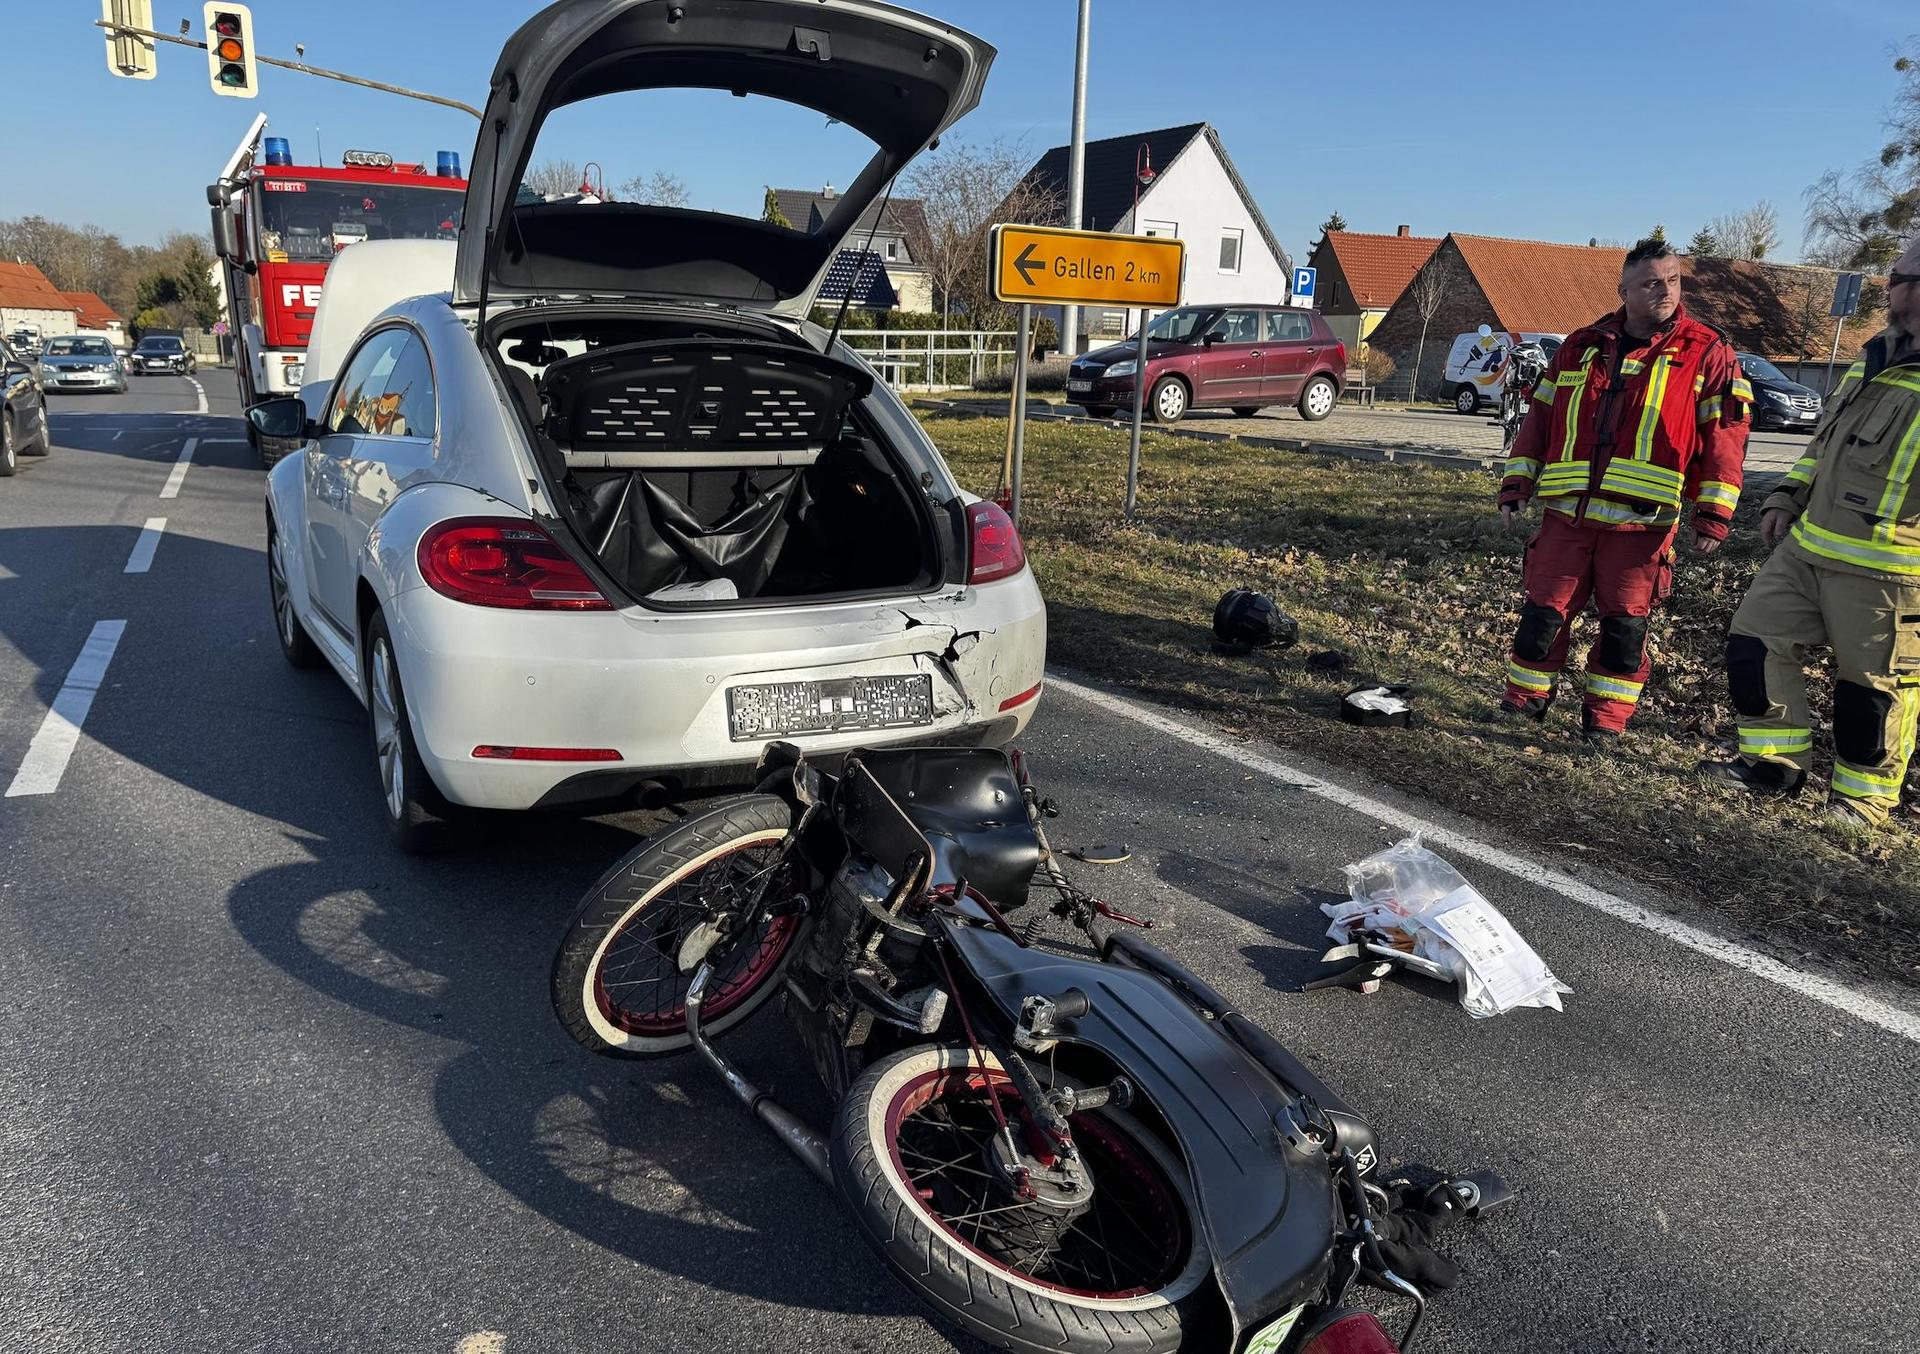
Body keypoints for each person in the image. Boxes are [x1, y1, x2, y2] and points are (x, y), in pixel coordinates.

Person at [1494, 237, 1751, 743]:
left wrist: (1714, 511)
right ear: (1624, 291)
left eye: (1673, 280)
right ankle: (1523, 702)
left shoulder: (1707, 352)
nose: (1666, 291)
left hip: (1642, 525)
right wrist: (1517, 482)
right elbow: (1540, 418)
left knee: (1624, 631)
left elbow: (1726, 435)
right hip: (1567, 517)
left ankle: (1605, 723)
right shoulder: (1580, 346)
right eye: (1652, 283)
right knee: (1542, 616)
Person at [1699, 238, 1920, 825]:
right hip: (1808, 546)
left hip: (1891, 570)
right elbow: (1823, 444)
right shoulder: (1875, 356)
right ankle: (1773, 766)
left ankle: (1863, 802)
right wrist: (1786, 496)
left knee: (1874, 689)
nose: (1887, 288)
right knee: (1755, 642)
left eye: (1898, 277)